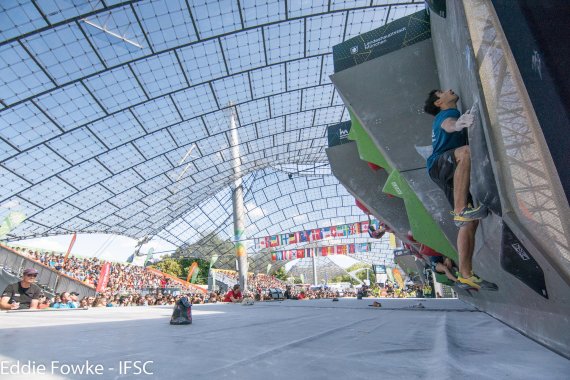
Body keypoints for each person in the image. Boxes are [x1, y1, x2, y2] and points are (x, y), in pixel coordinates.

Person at [424, 89, 497, 291]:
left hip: (446, 170)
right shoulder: (447, 113)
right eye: (441, 92)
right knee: (465, 152)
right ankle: (460, 210)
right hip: (439, 164)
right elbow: (448, 126)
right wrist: (457, 125)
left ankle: (466, 275)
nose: (448, 90)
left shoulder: (448, 112)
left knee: (469, 223)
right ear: (439, 103)